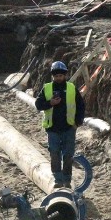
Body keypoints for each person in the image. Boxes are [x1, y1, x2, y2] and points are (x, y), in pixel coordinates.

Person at [34, 60, 85, 188]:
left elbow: (81, 106)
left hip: (69, 128)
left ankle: (67, 180)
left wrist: (77, 123)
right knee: (54, 154)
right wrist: (50, 103)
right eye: (56, 76)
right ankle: (58, 179)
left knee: (68, 155)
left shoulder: (72, 88)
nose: (58, 78)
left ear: (65, 75)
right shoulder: (47, 88)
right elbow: (38, 105)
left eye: (61, 75)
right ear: (53, 76)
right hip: (52, 128)